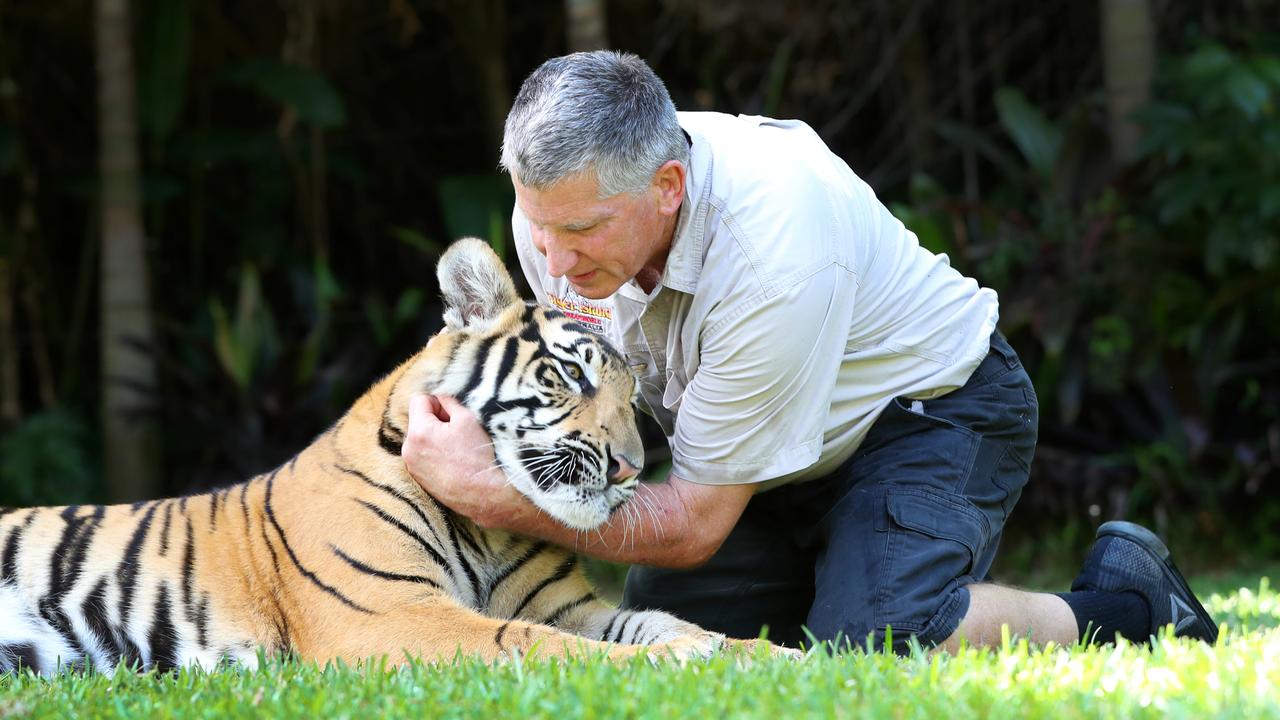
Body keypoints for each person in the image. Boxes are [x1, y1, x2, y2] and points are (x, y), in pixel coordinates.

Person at [402, 50, 1218, 652]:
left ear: (668, 189)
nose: (552, 261)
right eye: (536, 226)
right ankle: (836, 582)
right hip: (758, 456)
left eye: (580, 232)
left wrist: (492, 492)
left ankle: (1126, 608)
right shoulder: (556, 221)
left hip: (928, 414)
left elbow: (690, 525)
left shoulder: (772, 248)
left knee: (878, 645)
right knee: (667, 649)